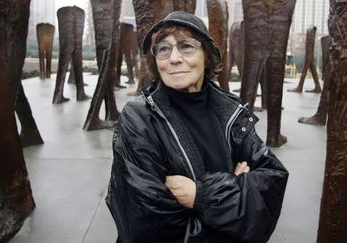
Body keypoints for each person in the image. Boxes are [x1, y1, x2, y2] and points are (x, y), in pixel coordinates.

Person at [106, 11, 289, 243]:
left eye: (186, 47)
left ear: (207, 56)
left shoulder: (229, 112)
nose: (173, 58)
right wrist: (236, 191)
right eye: (163, 49)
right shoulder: (139, 118)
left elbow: (271, 185)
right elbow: (144, 227)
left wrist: (201, 196)